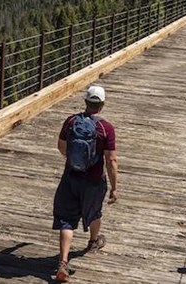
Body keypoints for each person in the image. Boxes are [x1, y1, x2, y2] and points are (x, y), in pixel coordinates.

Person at [52, 85, 118, 282]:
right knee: (94, 211)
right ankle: (93, 241)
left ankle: (63, 262)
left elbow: (61, 147)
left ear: (86, 102)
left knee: (66, 219)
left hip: (71, 176)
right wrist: (114, 187)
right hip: (94, 180)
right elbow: (111, 160)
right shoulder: (106, 128)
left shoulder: (71, 122)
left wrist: (74, 160)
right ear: (102, 105)